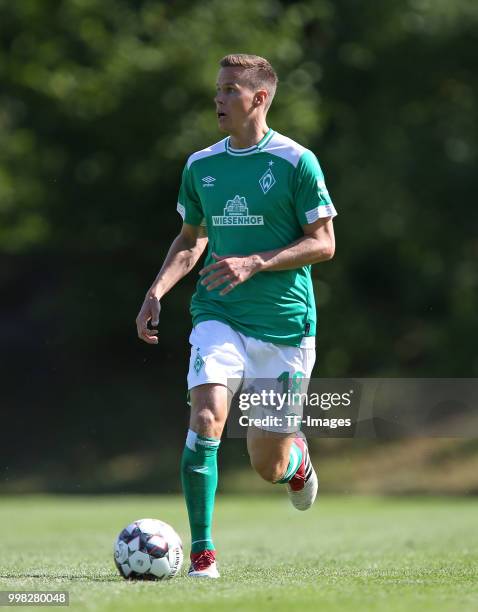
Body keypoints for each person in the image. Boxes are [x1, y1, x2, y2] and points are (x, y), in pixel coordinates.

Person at [136, 54, 337, 579]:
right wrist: (157, 290)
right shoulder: (201, 164)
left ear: (259, 97)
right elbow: (190, 238)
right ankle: (202, 556)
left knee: (266, 465)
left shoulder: (297, 162)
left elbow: (325, 242)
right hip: (217, 313)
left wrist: (257, 262)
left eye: (229, 90)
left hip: (285, 326)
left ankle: (296, 462)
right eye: (218, 89)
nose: (218, 99)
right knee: (205, 419)